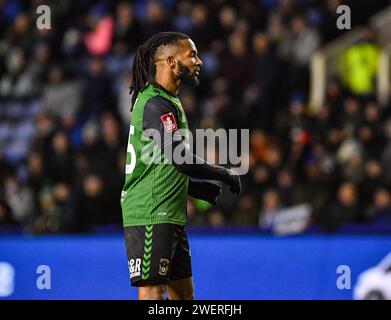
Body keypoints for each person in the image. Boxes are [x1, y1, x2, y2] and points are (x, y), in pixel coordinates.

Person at [121, 32, 241, 300]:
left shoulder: (168, 101)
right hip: (150, 213)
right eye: (193, 55)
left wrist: (197, 189)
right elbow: (179, 158)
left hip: (169, 213)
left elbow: (161, 164)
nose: (199, 62)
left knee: (184, 296)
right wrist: (224, 173)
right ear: (172, 62)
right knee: (152, 291)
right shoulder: (155, 103)